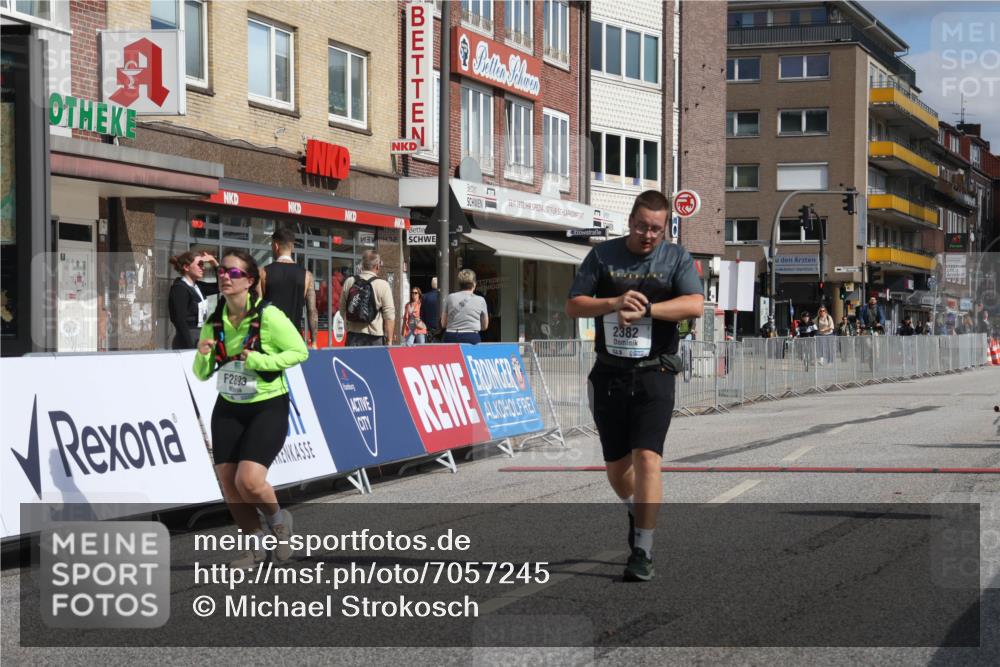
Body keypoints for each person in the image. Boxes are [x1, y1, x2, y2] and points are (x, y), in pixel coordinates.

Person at [565, 190, 704, 583]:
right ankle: (633, 508)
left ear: (665, 229)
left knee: (648, 457)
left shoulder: (675, 258)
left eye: (656, 229)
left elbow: (694, 304)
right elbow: (574, 304)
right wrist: (614, 303)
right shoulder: (602, 256)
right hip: (608, 374)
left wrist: (648, 309)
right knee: (616, 468)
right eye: (642, 226)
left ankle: (643, 549)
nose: (648, 235)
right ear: (630, 221)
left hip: (655, 371)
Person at [192, 250, 309, 568]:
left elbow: (300, 351)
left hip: (267, 405)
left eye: (233, 274)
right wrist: (204, 354)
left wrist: (260, 361)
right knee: (229, 483)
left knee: (250, 481)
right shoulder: (215, 317)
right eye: (222, 273)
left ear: (250, 281)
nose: (225, 278)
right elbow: (202, 372)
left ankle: (280, 522)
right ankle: (255, 547)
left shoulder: (268, 316)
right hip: (229, 405)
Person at [260, 227, 318, 349]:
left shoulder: (263, 273)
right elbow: (312, 311)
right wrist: (314, 341)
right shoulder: (307, 275)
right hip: (295, 339)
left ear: (275, 246)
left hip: (270, 342)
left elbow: (258, 309)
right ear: (292, 247)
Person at [339, 250, 396, 346]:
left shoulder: (349, 281)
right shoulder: (383, 285)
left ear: (362, 265)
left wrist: (348, 326)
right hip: (375, 338)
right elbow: (389, 316)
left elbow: (342, 309)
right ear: (377, 266)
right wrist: (389, 340)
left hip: (353, 336)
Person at [168, 250, 219, 349]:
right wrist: (190, 345)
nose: (203, 267)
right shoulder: (180, 288)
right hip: (187, 338)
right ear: (186, 267)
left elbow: (219, 287)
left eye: (203, 264)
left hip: (200, 335)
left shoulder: (197, 286)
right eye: (199, 264)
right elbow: (179, 320)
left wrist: (214, 263)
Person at [441, 269, 489, 344]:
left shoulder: (450, 297)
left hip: (452, 336)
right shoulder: (481, 300)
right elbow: (485, 326)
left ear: (459, 284)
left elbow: (443, 324)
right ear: (474, 284)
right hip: (472, 336)